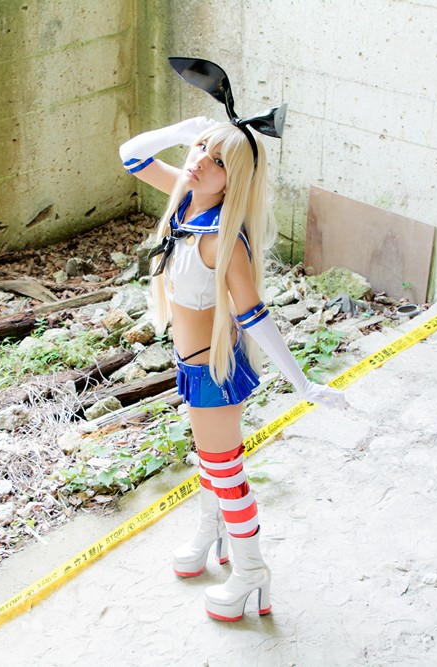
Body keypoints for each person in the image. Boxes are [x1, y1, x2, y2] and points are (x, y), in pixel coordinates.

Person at [119, 96, 347, 622]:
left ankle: (251, 572)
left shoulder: (224, 238)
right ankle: (212, 533)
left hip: (213, 372)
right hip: (191, 364)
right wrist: (187, 129)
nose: (200, 160)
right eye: (200, 149)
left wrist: (302, 383)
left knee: (225, 470)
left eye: (217, 160)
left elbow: (254, 314)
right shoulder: (185, 200)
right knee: (211, 461)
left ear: (234, 180)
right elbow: (131, 155)